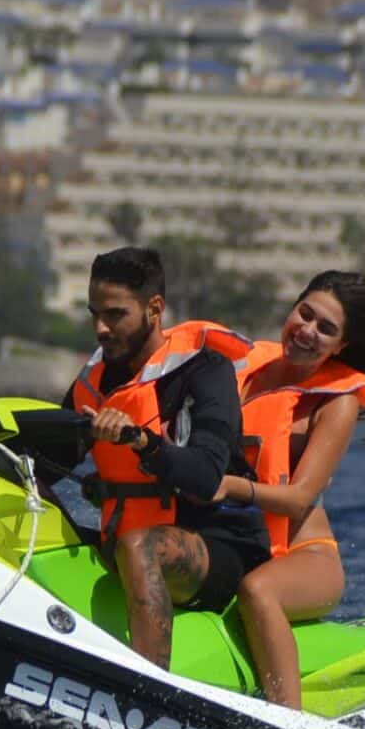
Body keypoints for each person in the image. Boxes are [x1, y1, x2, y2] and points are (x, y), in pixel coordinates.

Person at [212, 270, 365, 710]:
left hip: (306, 557)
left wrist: (229, 487)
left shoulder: (336, 403)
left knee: (258, 591)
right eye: (305, 314)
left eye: (326, 329)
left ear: (341, 346)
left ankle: (288, 725)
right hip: (234, 541)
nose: (307, 331)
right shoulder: (243, 371)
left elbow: (300, 498)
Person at [66, 247, 270, 669]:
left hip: (217, 548)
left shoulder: (205, 372)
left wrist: (141, 442)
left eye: (115, 314)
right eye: (94, 314)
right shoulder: (95, 380)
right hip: (123, 538)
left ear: (154, 309)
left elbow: (207, 476)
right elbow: (50, 451)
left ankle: (149, 691)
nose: (100, 328)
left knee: (141, 547)